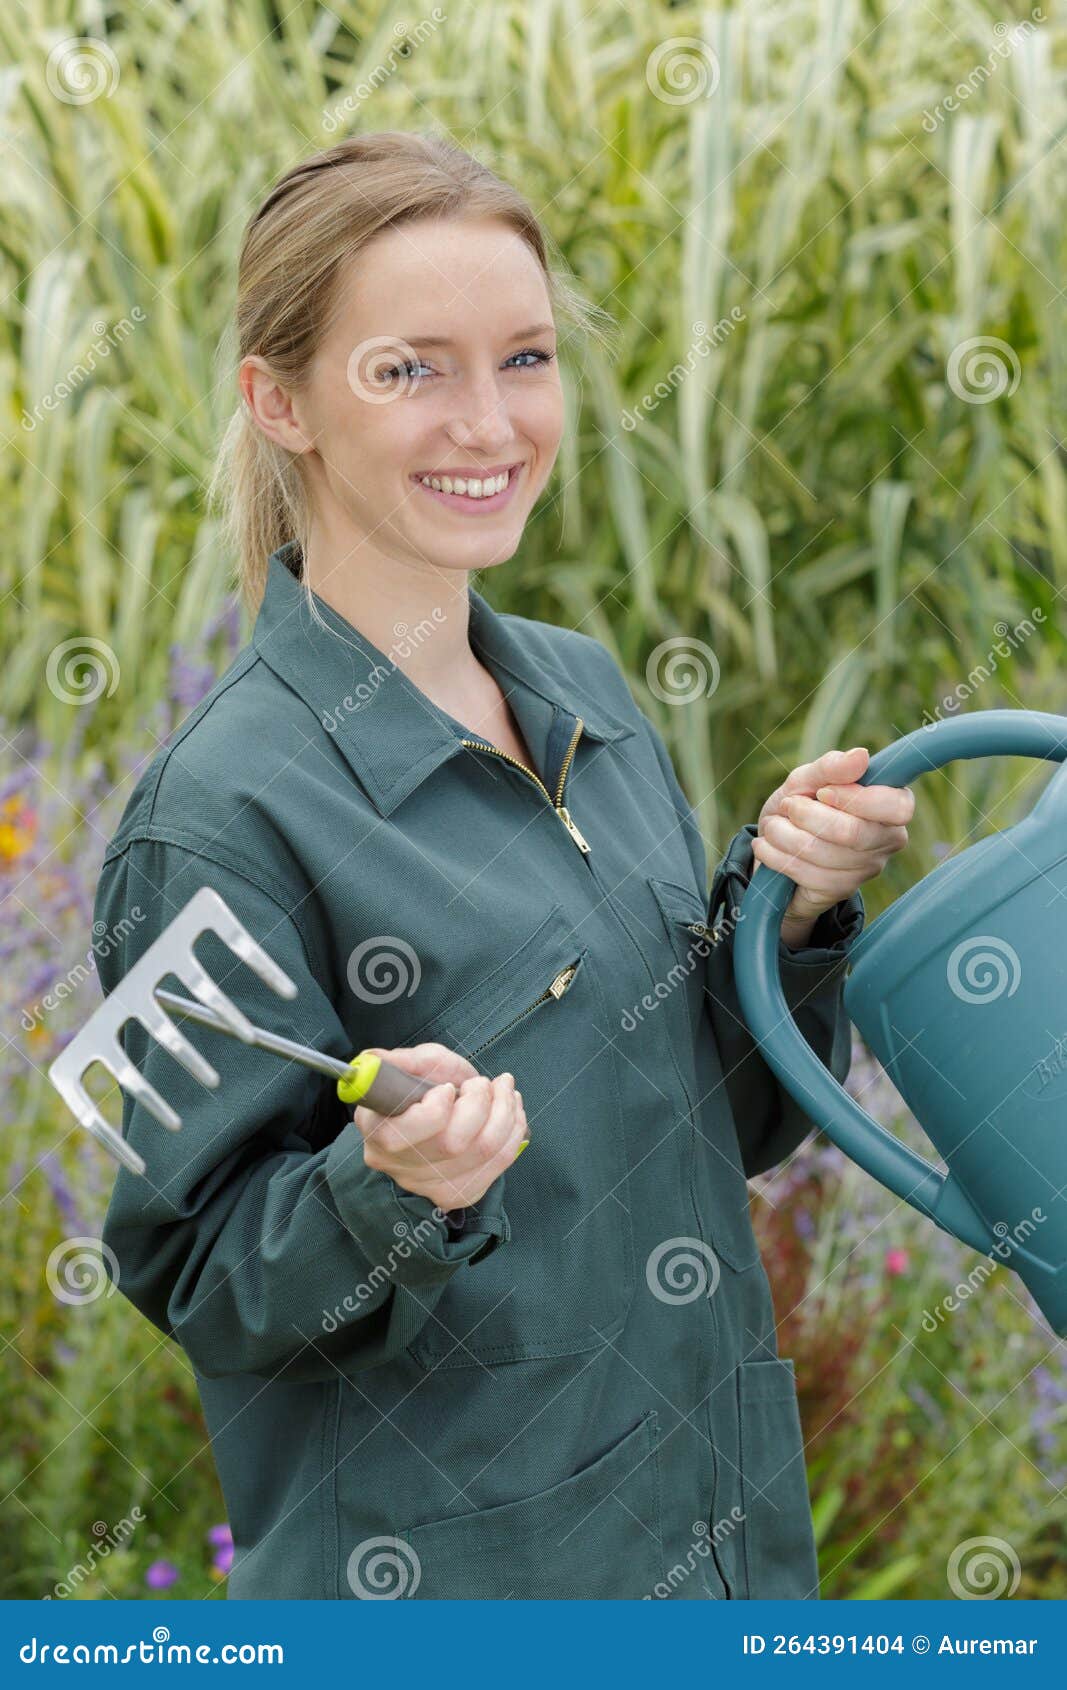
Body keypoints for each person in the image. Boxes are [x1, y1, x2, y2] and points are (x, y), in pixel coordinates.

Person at [94, 131, 913, 1601]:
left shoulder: (586, 694)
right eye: (409, 370)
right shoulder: (216, 814)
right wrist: (384, 1183)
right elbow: (200, 1276)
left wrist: (785, 911)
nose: (490, 422)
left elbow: (711, 1122)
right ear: (279, 401)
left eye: (524, 359)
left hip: (715, 1542)